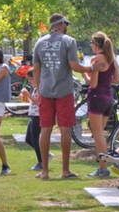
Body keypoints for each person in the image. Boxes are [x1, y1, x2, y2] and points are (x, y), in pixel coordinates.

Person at [33, 13, 90, 180]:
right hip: (64, 91)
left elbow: (36, 69)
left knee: (46, 129)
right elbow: (74, 66)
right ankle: (65, 170)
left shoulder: (39, 42)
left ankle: (45, 171)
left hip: (45, 91)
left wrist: (38, 88)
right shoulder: (68, 41)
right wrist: (91, 69)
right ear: (63, 24)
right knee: (65, 129)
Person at [84, 32, 119, 178]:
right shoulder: (112, 59)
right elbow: (117, 80)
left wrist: (84, 75)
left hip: (96, 98)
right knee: (101, 135)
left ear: (95, 44)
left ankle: (103, 168)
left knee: (97, 135)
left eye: (91, 44)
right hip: (108, 99)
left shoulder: (96, 59)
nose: (91, 47)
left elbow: (93, 83)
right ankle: (102, 163)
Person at [23, 68, 43, 171]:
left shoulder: (40, 88)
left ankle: (41, 161)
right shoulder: (35, 88)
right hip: (33, 115)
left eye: (31, 79)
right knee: (28, 139)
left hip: (38, 115)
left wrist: (28, 95)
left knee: (35, 139)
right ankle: (44, 154)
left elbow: (38, 102)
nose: (30, 82)